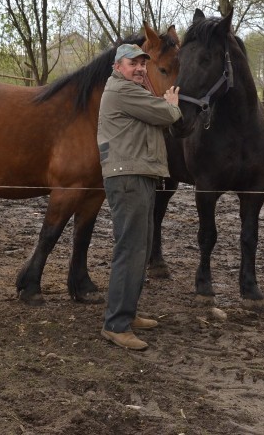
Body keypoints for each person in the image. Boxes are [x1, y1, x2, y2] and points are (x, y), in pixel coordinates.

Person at [97, 43, 181, 351]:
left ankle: (127, 314)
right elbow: (165, 115)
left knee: (140, 248)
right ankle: (116, 325)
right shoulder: (122, 91)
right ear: (118, 66)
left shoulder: (130, 90)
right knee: (130, 250)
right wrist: (171, 103)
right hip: (128, 176)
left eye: (143, 64)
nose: (140, 68)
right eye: (134, 63)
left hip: (138, 174)